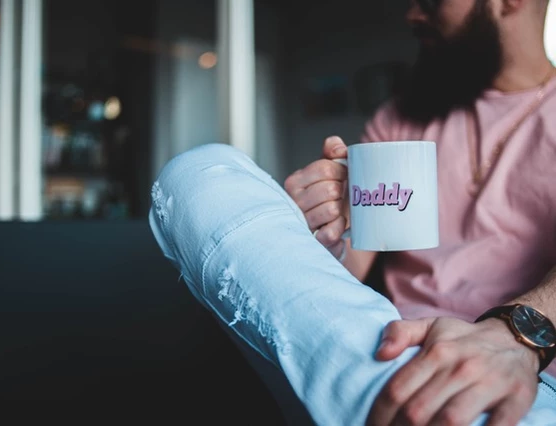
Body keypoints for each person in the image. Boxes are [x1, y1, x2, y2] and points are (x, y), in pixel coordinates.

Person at [148, 0, 556, 425]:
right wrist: (322, 232)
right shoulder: (399, 118)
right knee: (200, 172)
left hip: (528, 372)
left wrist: (516, 336)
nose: (412, 14)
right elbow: (350, 270)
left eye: (430, 1)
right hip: (383, 345)